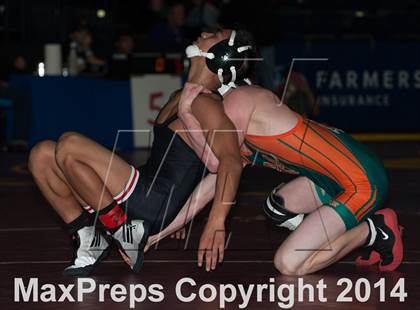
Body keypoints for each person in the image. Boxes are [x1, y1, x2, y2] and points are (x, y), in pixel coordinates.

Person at [148, 45, 403, 274]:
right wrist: (154, 237)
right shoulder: (233, 126)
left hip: (362, 181)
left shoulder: (239, 102)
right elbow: (203, 194)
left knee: (288, 264)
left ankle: (372, 230)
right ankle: (333, 229)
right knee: (276, 207)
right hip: (330, 178)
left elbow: (216, 164)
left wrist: (216, 222)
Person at [28, 28, 254, 276]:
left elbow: (231, 162)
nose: (205, 31)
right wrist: (183, 212)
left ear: (220, 54)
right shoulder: (182, 95)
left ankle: (122, 230)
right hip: (147, 191)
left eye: (216, 34)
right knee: (42, 155)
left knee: (70, 144)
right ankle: (88, 237)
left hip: (152, 202)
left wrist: (216, 222)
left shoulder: (206, 104)